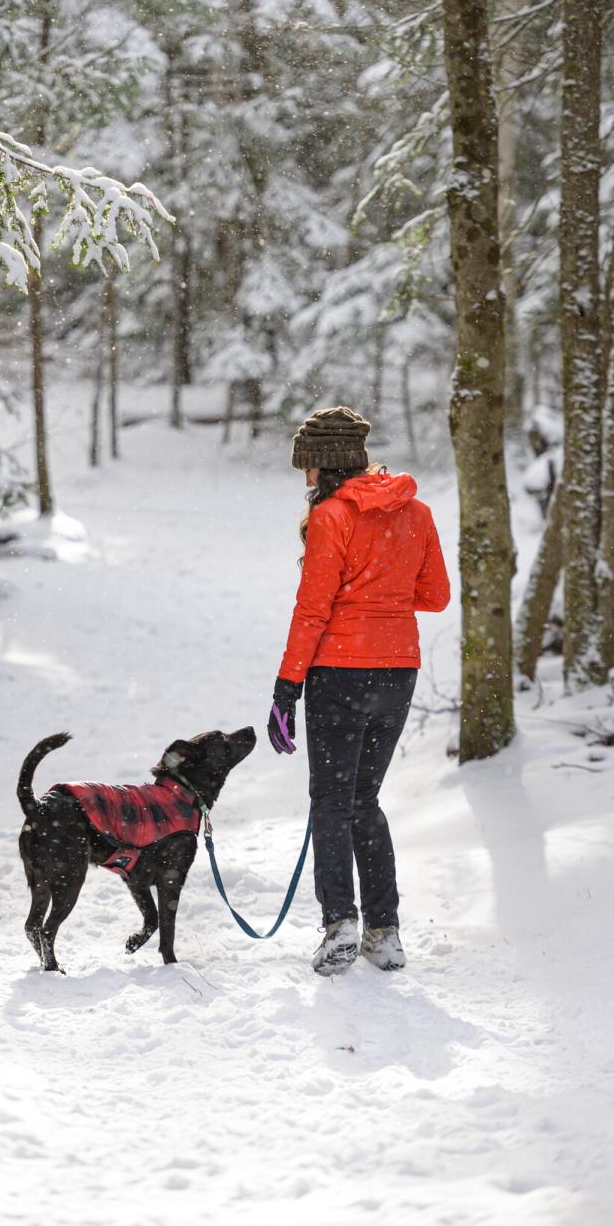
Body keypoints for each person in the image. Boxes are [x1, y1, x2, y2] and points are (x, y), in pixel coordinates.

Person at [267, 406, 450, 977]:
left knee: (331, 800)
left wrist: (286, 686)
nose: (304, 479)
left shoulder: (332, 517)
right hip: (398, 671)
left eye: (307, 467)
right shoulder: (415, 512)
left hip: (339, 672)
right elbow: (437, 595)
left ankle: (340, 923)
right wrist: (386, 598)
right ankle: (385, 932)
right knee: (363, 800)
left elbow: (313, 609)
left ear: (324, 466)